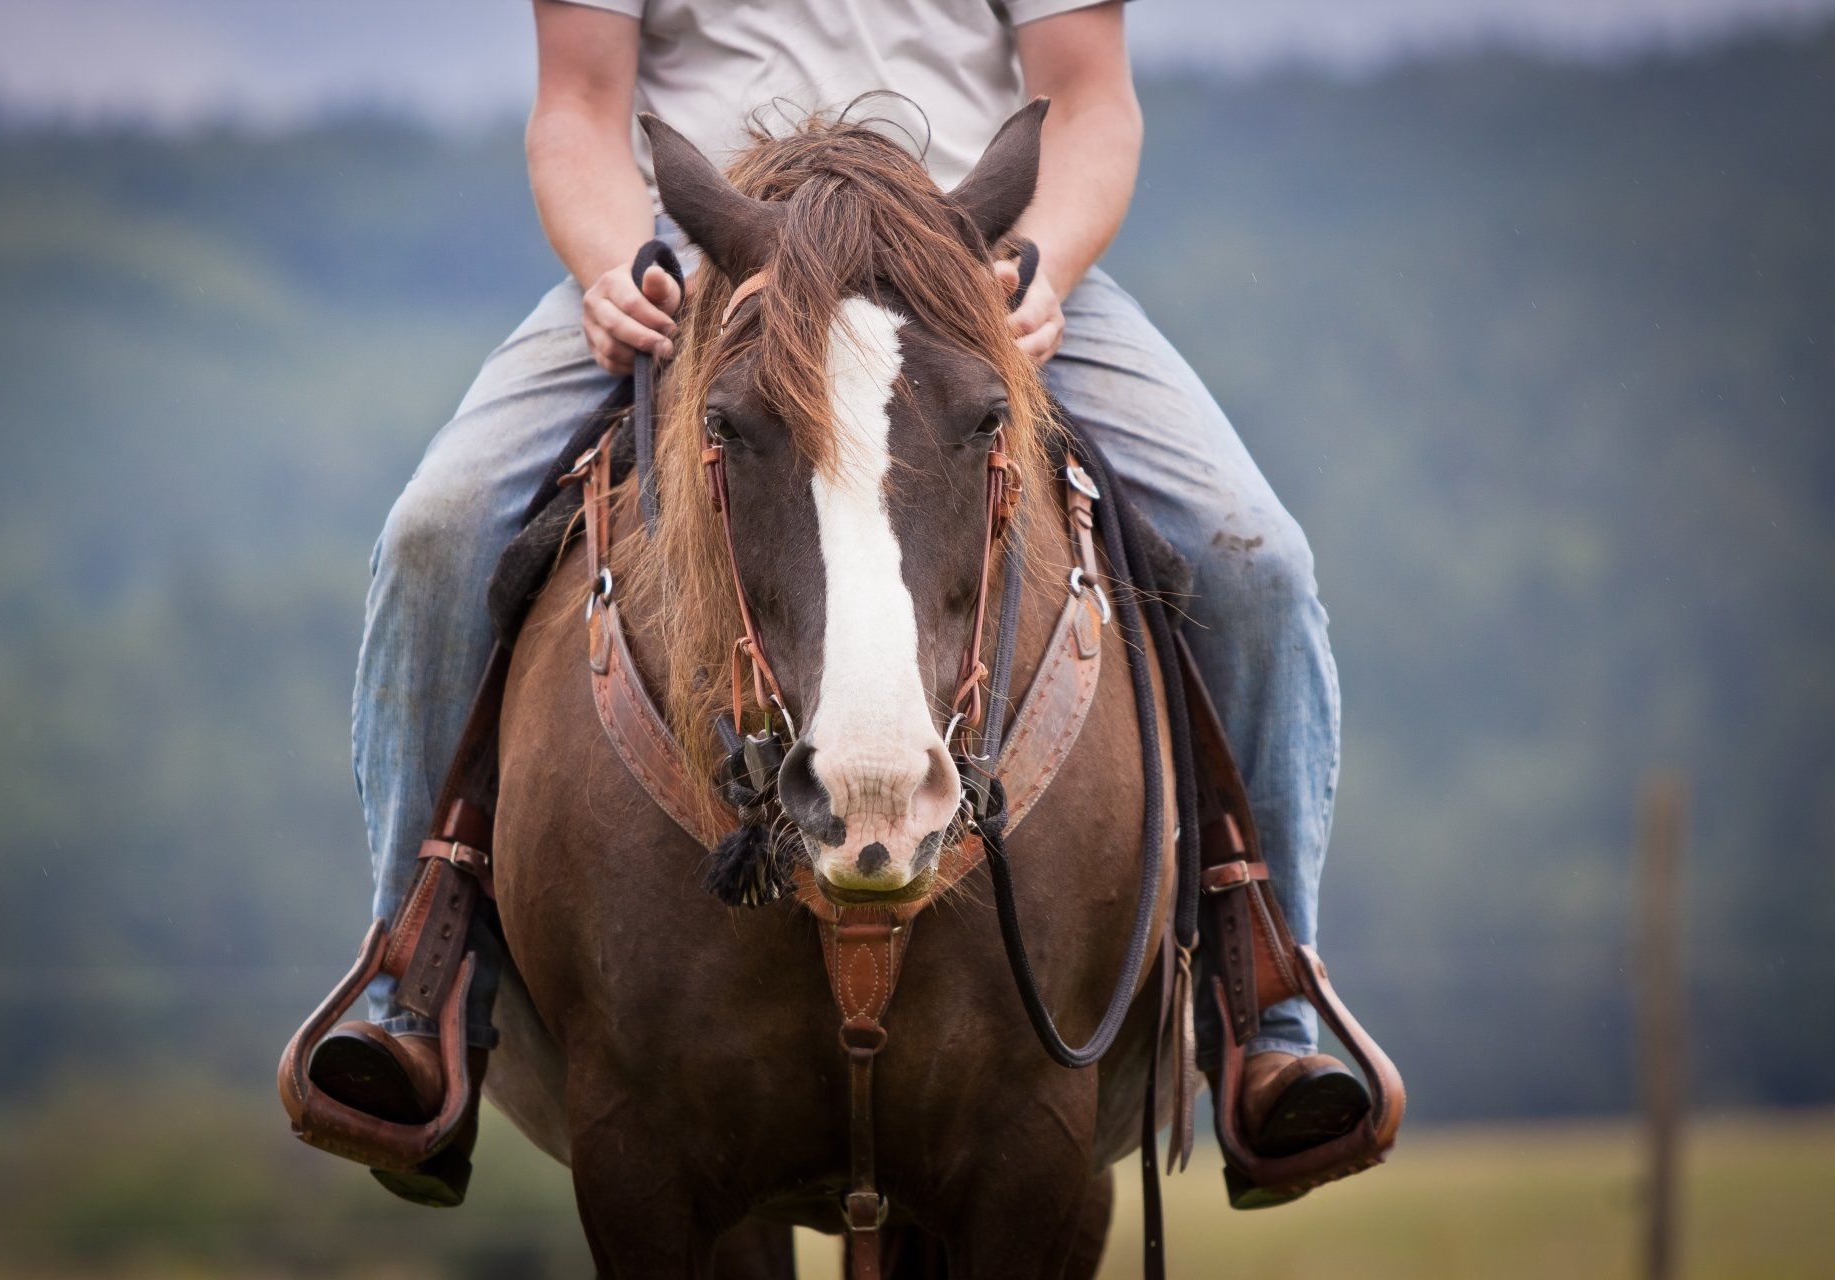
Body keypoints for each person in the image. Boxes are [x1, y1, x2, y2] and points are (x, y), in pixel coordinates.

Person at [315, 0, 1360, 1206]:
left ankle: (1271, 1002)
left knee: (1257, 565)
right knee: (434, 536)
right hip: (705, 264)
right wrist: (616, 265)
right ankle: (415, 980)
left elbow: (1086, 99)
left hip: (964, 271)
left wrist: (1041, 265)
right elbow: (581, 106)